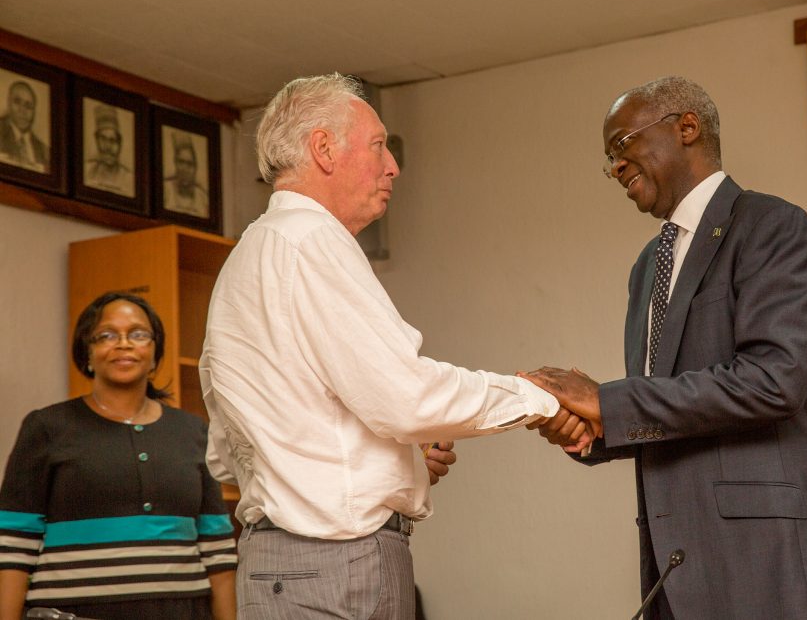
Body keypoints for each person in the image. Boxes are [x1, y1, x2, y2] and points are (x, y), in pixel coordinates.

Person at [523, 77, 807, 619]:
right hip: (677, 568)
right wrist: (593, 430)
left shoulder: (772, 227)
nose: (616, 168)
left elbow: (773, 382)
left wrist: (609, 402)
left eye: (622, 146)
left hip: (772, 560)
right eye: (609, 160)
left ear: (687, 127)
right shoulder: (648, 265)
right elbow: (669, 406)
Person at [200, 73, 559, 620]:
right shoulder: (314, 242)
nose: (392, 165)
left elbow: (226, 455)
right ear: (323, 149)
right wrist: (539, 397)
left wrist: (395, 457)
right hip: (337, 568)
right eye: (377, 145)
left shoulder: (242, 261)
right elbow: (407, 399)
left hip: (269, 565)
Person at [0, 292, 237, 620]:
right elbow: (14, 547)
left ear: (155, 354)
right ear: (87, 354)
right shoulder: (46, 427)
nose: (124, 343)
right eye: (107, 335)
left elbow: (219, 552)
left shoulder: (194, 432)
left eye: (139, 334)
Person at [0, 80, 49, 173]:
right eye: (17, 102)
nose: (22, 110)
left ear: (34, 112)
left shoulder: (44, 151)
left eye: (28, 106)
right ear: (8, 103)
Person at [84, 103, 133, 195]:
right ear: (97, 140)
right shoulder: (86, 171)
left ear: (119, 143)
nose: (108, 147)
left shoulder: (130, 180)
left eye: (112, 140)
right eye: (103, 139)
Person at [163, 131, 209, 216]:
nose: (185, 169)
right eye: (181, 162)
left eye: (189, 164)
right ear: (175, 163)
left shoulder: (202, 198)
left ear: (195, 168)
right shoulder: (166, 190)